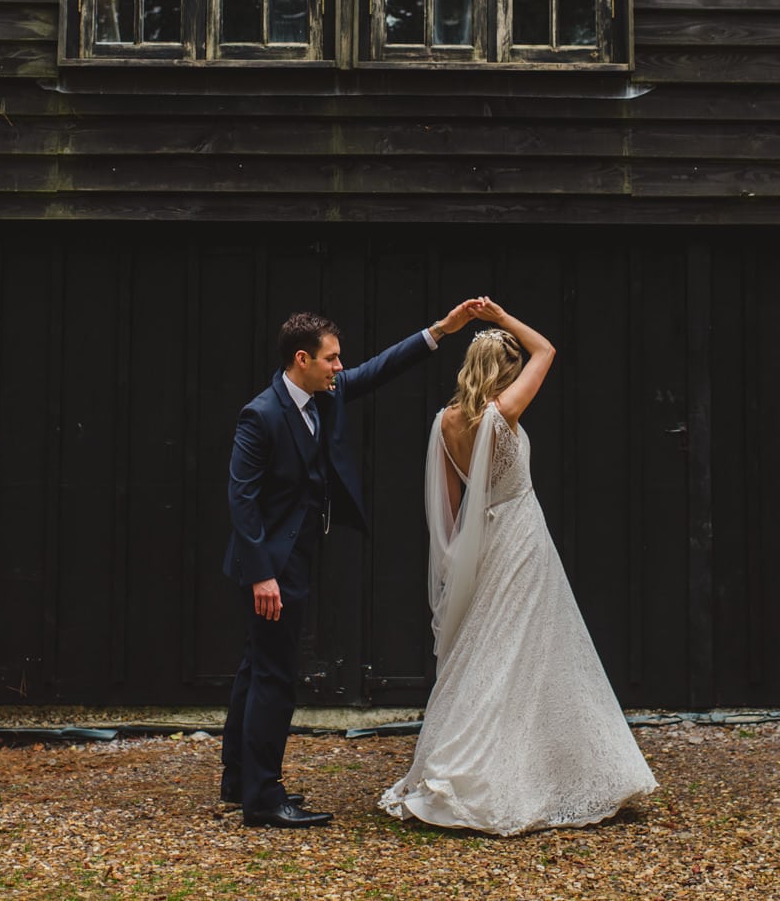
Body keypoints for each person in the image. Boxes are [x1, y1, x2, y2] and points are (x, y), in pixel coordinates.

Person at [380, 300, 657, 835]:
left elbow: (452, 505)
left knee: (485, 647)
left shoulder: (445, 423)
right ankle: (518, 770)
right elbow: (547, 348)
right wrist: (503, 318)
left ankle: (463, 761)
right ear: (506, 374)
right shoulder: (502, 414)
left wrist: (461, 559)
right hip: (522, 537)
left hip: (479, 542)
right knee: (529, 647)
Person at [222, 301, 480, 828]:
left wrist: (440, 331)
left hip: (296, 553)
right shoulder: (262, 415)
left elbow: (380, 368)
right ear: (302, 359)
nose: (341, 367)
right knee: (274, 675)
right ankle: (264, 798)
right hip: (273, 563)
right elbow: (241, 499)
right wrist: (262, 573)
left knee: (256, 667)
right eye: (332, 359)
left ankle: (237, 778)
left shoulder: (325, 394)